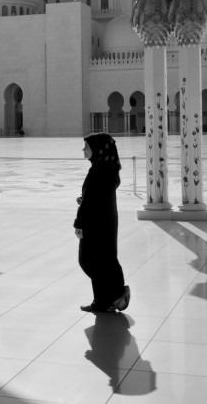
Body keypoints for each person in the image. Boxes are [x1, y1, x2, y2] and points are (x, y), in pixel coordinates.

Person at [74, 133, 130, 313]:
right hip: (105, 221)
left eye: (87, 147)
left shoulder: (99, 170)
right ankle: (104, 301)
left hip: (95, 223)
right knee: (104, 260)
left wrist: (78, 224)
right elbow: (97, 196)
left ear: (97, 149)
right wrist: (84, 198)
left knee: (89, 260)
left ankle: (116, 294)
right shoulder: (106, 168)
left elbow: (91, 202)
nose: (83, 150)